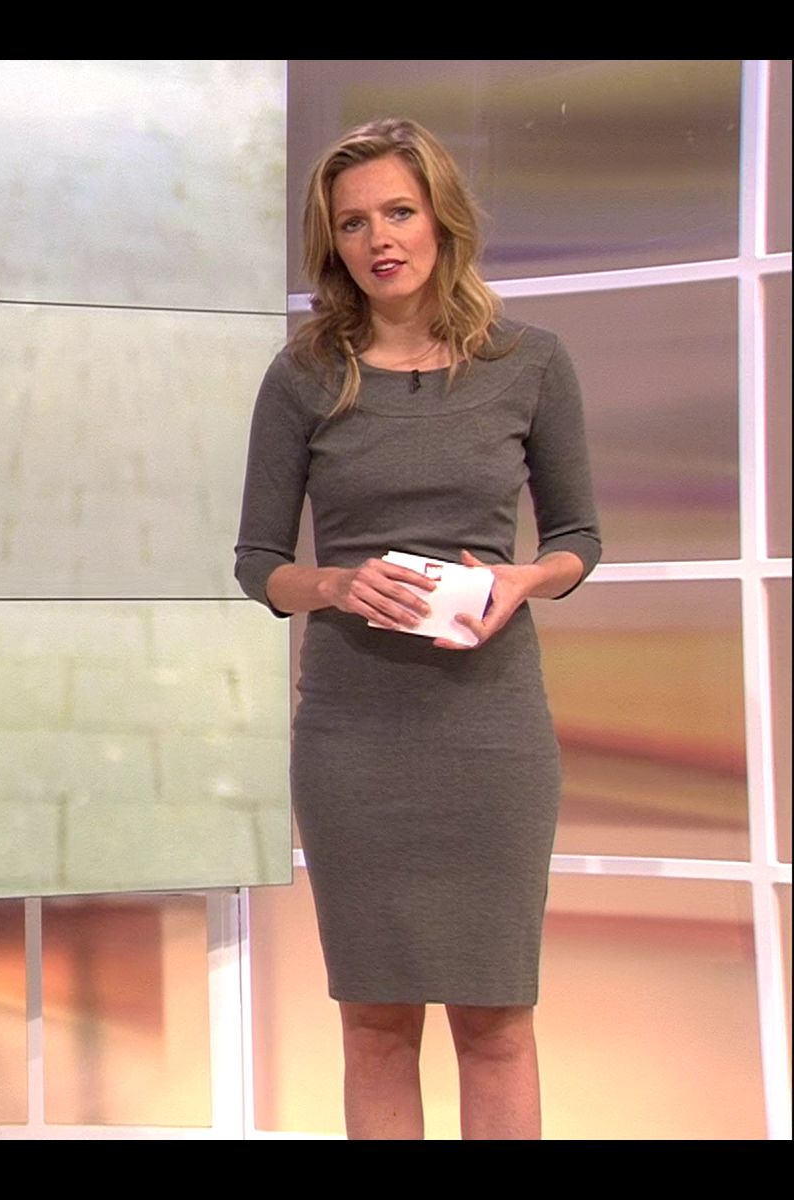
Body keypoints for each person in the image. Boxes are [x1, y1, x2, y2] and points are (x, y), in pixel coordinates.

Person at [233, 117, 602, 1139]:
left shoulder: (530, 363)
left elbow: (578, 537)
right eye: (353, 223)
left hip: (491, 732)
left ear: (442, 218)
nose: (379, 239)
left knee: (497, 1021)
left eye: (398, 212)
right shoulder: (304, 375)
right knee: (376, 1023)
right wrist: (337, 585)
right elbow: (258, 564)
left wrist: (525, 580)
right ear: (333, 242)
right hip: (354, 735)